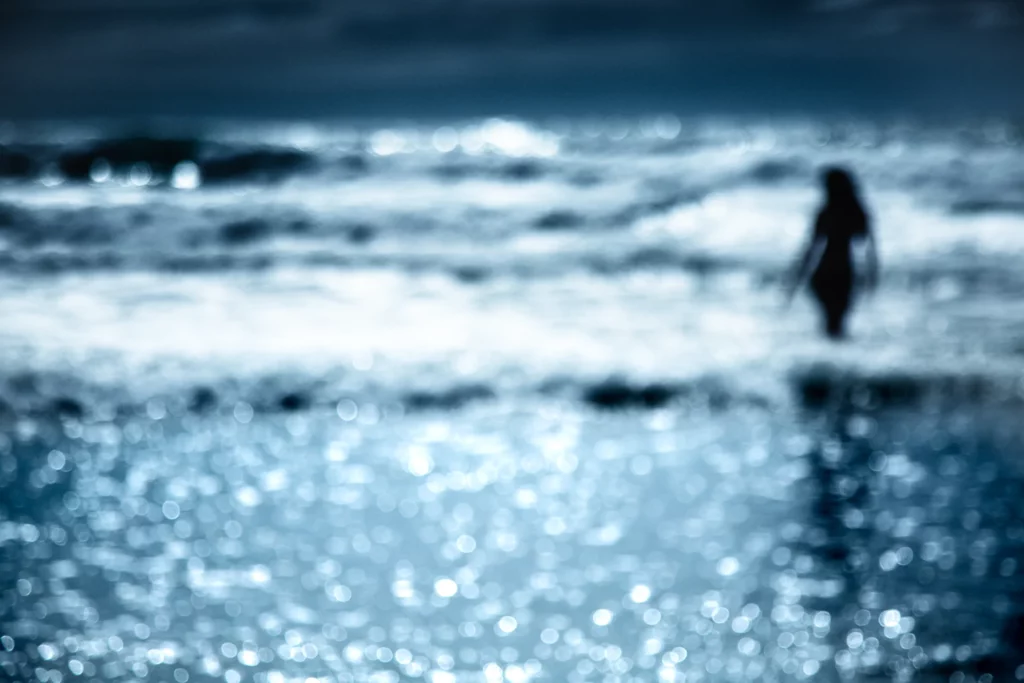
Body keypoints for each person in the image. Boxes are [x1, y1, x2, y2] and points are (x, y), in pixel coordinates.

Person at [787, 167, 879, 339]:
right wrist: (872, 276)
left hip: (825, 272)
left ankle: (828, 353)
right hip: (844, 273)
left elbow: (811, 248)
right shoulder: (856, 212)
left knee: (830, 323)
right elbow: (870, 250)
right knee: (837, 324)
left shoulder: (826, 212)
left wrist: (796, 278)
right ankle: (838, 353)